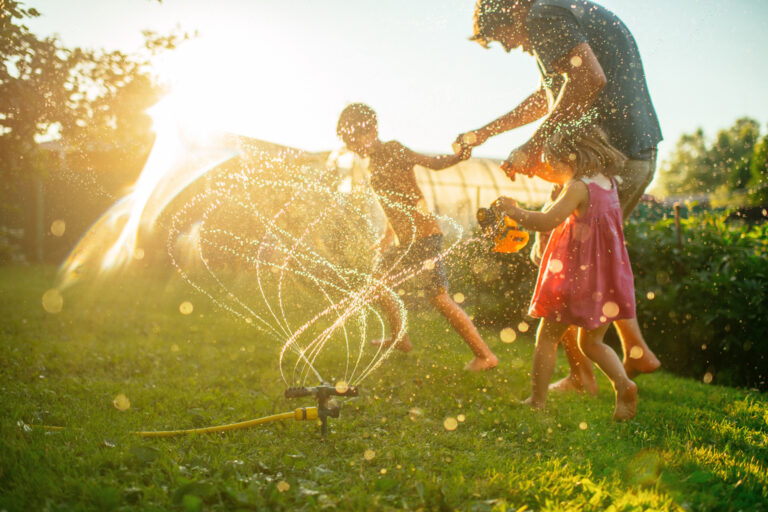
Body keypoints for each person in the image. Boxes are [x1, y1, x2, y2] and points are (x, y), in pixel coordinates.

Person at [458, 0, 661, 392]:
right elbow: (550, 96)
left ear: (512, 13)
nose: (510, 47)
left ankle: (583, 373)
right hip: (632, 155)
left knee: (554, 261)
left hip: (605, 156)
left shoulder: (542, 15)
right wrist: (487, 132)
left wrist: (533, 147)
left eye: (503, 38)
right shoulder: (561, 11)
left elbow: (589, 81)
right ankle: (633, 349)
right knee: (598, 258)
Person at [337, 103, 498, 371]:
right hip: (403, 242)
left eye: (357, 138)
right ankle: (400, 338)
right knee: (377, 283)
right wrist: (388, 236)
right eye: (349, 141)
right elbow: (394, 203)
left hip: (424, 237)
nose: (354, 145)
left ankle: (485, 356)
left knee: (438, 298)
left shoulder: (393, 149)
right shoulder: (372, 162)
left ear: (372, 129)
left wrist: (458, 157)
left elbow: (432, 164)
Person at [495, 125, 638, 420]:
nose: (552, 168)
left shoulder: (577, 188)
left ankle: (537, 400)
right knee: (592, 343)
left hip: (577, 278)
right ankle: (623, 384)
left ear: (570, 158)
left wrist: (513, 211)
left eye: (553, 162)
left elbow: (548, 221)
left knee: (547, 337)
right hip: (607, 281)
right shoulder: (608, 184)